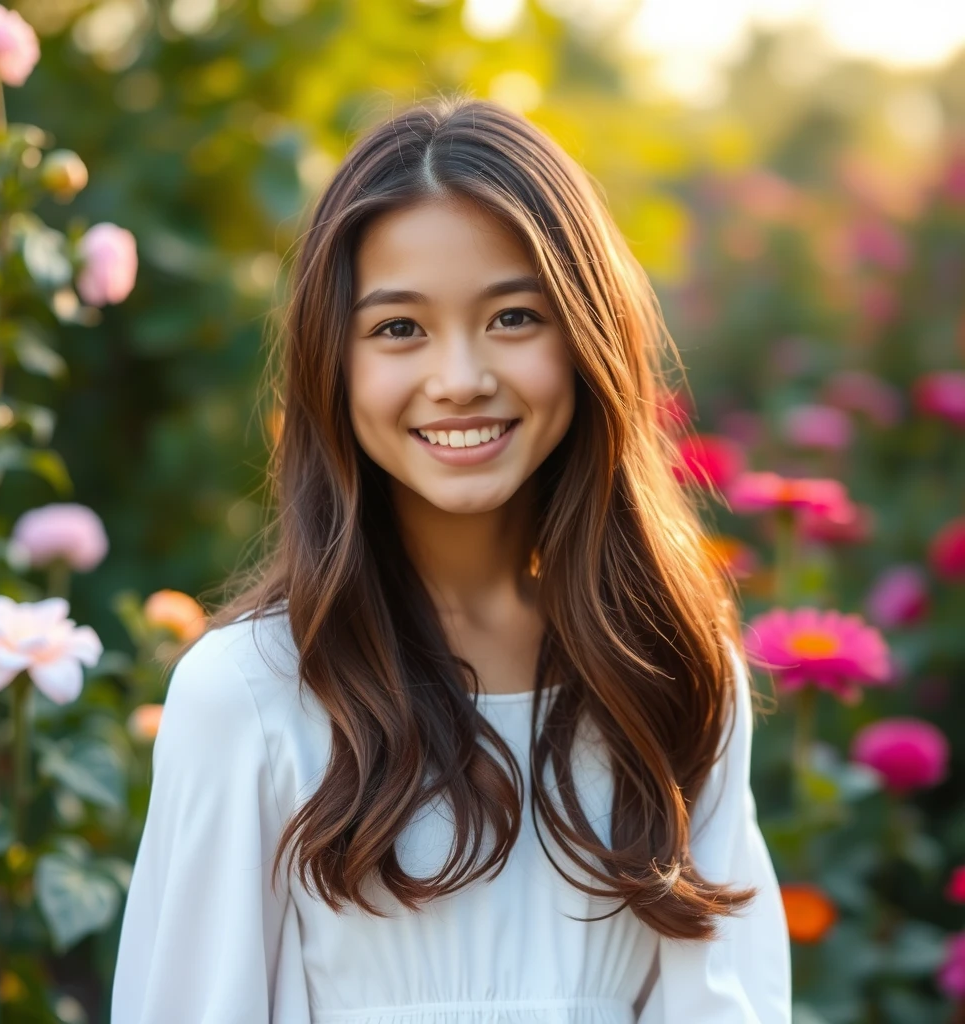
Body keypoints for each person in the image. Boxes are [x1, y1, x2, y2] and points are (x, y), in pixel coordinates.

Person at [109, 96, 792, 1024]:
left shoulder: (670, 669)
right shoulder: (251, 695)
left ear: (587, 337)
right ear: (331, 365)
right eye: (399, 329)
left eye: (514, 317)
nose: (462, 376)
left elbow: (724, 1001)